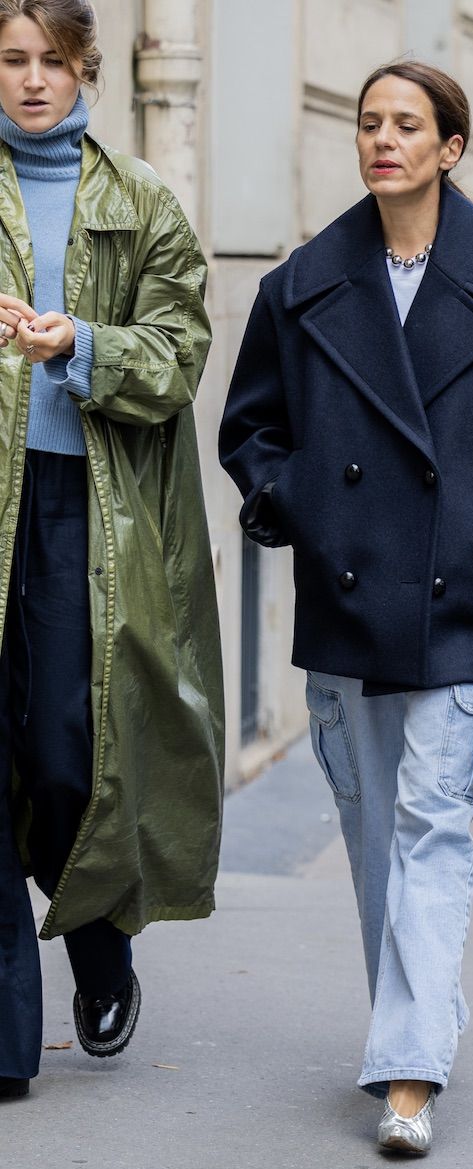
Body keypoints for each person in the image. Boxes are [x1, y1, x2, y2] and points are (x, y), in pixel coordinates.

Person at [220, 61, 473, 1154]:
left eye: (406, 125)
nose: (382, 139)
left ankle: (406, 1075)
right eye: (369, 123)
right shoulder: (300, 288)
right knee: (373, 837)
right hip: (347, 596)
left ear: (449, 149)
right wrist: (296, 499)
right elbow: (252, 431)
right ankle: (422, 1015)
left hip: (459, 595)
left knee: (432, 829)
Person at [0, 0, 224, 1101]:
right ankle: (7, 1043)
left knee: (63, 756)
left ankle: (98, 946)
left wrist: (80, 343)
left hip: (77, 509)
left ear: (87, 67)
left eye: (52, 60)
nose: (32, 79)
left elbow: (179, 353)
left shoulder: (137, 200)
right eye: (12, 59)